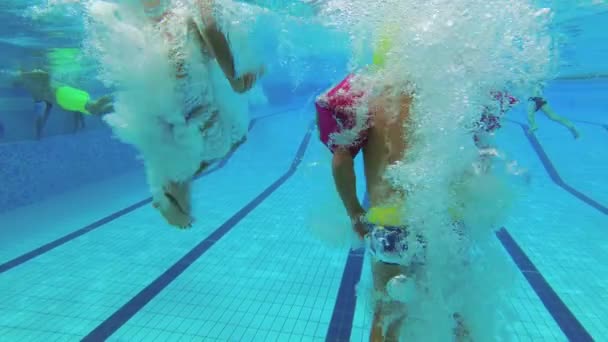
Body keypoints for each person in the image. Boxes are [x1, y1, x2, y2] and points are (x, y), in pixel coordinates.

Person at [315, 40, 471, 341]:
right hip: (447, 220)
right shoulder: (453, 90)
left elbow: (341, 159)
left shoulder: (364, 92)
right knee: (456, 313)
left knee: (389, 317)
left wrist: (354, 213)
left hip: (391, 223)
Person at [92, 0, 263, 228]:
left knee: (205, 137)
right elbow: (211, 25)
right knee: (220, 136)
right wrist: (235, 79)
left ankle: (169, 190)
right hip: (180, 79)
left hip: (167, 75)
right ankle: (170, 190)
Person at [12, 69, 114, 139]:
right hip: (66, 97)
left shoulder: (38, 91)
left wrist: (23, 74)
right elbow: (44, 111)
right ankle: (114, 105)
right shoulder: (37, 93)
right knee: (96, 111)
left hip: (63, 96)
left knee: (94, 108)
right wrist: (40, 129)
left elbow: (45, 75)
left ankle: (111, 98)